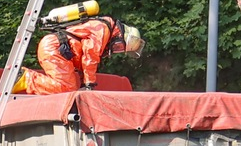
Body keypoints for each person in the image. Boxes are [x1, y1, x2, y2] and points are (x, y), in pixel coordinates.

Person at [14, 14, 145, 95]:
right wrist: (89, 85)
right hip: (55, 48)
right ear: (120, 35)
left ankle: (25, 79)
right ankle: (26, 79)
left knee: (69, 89)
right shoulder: (103, 30)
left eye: (120, 50)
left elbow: (83, 59)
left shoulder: (103, 28)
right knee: (66, 90)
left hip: (58, 49)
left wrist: (84, 84)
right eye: (119, 46)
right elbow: (90, 57)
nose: (116, 49)